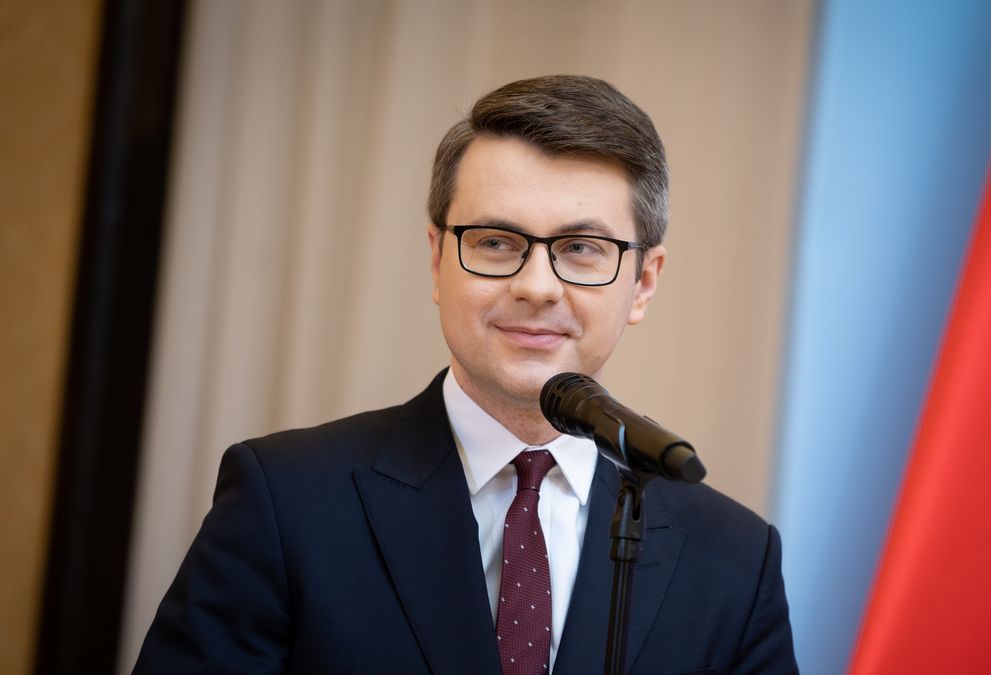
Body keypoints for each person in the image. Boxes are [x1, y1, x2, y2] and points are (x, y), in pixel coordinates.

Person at [134, 75, 798, 674]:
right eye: (496, 242)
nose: (536, 286)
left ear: (644, 282)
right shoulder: (286, 502)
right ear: (437, 260)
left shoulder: (735, 559)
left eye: (581, 248)